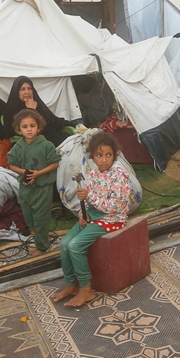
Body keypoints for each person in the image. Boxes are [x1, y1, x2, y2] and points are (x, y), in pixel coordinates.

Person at [52, 132, 134, 308]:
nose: (104, 160)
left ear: (115, 155)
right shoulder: (94, 174)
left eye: (108, 155)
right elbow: (89, 202)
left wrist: (91, 197)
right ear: (92, 157)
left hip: (111, 218)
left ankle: (86, 289)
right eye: (99, 155)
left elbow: (116, 206)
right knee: (65, 243)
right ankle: (71, 285)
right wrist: (84, 213)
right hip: (95, 216)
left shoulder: (119, 175)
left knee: (75, 245)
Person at [7, 109, 61, 255]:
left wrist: (38, 173)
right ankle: (38, 240)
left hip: (42, 188)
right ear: (19, 130)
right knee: (29, 216)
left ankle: (42, 247)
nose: (29, 129)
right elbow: (12, 165)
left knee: (41, 217)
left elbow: (55, 163)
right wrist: (24, 172)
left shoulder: (46, 145)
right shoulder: (18, 147)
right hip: (25, 188)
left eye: (32, 126)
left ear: (39, 127)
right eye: (25, 127)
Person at [0, 75, 70, 147]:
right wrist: (31, 111)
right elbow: (12, 132)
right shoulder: (11, 109)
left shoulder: (38, 104)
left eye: (29, 88)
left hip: (48, 138)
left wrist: (73, 124)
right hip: (27, 145)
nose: (27, 92)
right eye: (23, 89)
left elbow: (54, 121)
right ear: (17, 91)